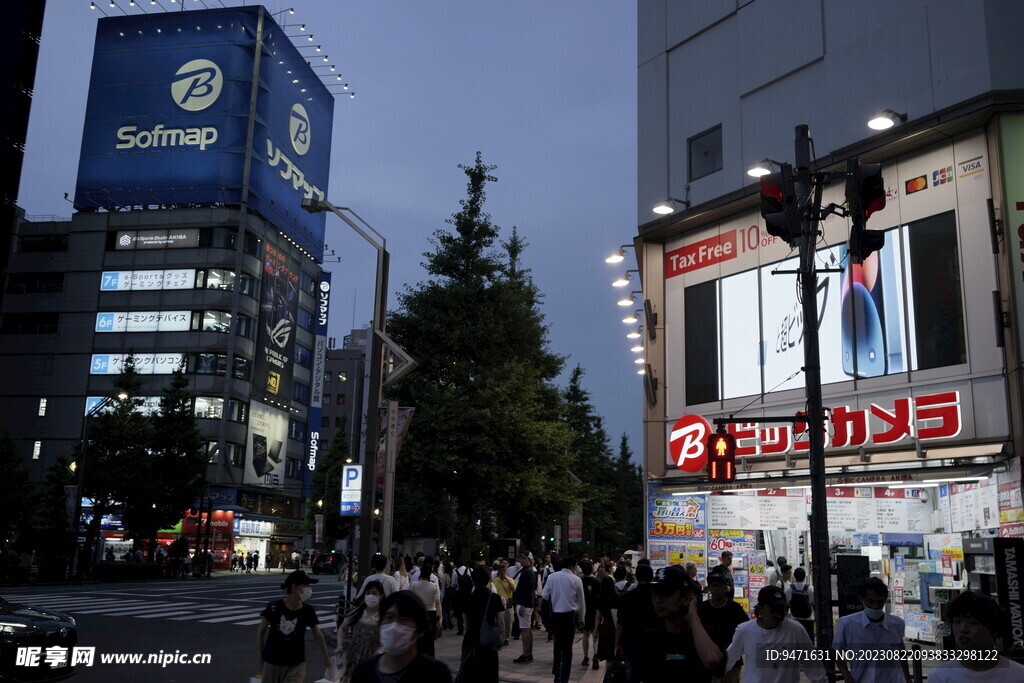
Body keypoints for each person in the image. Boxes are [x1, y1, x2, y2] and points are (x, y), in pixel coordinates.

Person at [631, 565, 722, 680]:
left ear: (686, 599)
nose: (659, 599)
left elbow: (712, 660)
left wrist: (693, 616)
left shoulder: (706, 636)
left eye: (666, 593)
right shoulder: (648, 639)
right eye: (655, 593)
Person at [724, 586, 826, 683]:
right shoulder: (745, 630)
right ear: (760, 609)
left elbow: (812, 663)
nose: (778, 615)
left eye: (781, 610)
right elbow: (729, 659)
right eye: (773, 611)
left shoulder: (795, 629)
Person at [351, 590, 453, 683]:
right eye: (389, 617)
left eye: (404, 619)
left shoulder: (436, 675)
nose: (394, 626)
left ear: (420, 629)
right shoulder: (362, 673)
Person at [927, 590, 1024, 682]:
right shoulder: (939, 677)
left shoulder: (1018, 675)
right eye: (957, 622)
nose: (962, 629)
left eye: (972, 623)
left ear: (993, 631)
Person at [256, 569, 331, 683]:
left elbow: (318, 635)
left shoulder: (307, 610)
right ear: (294, 586)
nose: (308, 589)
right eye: (305, 585)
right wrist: (261, 657)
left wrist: (326, 657)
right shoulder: (274, 607)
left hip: (296, 663)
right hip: (273, 661)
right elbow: (261, 631)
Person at [832, 577, 908, 683]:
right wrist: (847, 677)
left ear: (885, 599)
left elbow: (901, 653)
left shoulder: (897, 624)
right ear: (861, 599)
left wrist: (907, 679)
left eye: (879, 601)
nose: (875, 606)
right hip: (861, 679)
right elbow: (837, 652)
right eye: (870, 601)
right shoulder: (847, 624)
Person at [698, 569, 748, 683]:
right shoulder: (702, 608)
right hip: (708, 659)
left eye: (719, 585)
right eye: (713, 585)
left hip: (732, 660)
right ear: (709, 588)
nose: (715, 588)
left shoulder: (735, 608)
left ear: (725, 588)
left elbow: (745, 629)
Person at [542, 555, 586, 683]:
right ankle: (565, 676)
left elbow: (544, 595)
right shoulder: (576, 580)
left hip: (555, 615)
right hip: (569, 616)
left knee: (557, 644)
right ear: (572, 566)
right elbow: (581, 601)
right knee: (567, 648)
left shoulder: (552, 577)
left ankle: (557, 672)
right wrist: (581, 618)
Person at [457, 566, 504, 683]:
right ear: (489, 579)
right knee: (489, 673)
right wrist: (500, 640)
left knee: (471, 672)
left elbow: (466, 621)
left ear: (473, 580)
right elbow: (501, 621)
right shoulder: (495, 598)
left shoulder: (468, 598)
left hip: (471, 638)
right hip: (488, 639)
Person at [616, 562, 656, 681]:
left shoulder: (628, 597)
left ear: (636, 577)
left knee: (633, 674)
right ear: (651, 577)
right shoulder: (656, 597)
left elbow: (620, 623)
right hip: (653, 642)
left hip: (631, 641)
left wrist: (617, 645)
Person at [337, 580, 384, 682]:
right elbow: (342, 628)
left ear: (381, 596)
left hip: (374, 660)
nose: (371, 596)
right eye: (368, 593)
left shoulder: (385, 617)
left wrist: (382, 650)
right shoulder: (358, 612)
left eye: (374, 593)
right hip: (354, 656)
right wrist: (339, 646)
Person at [411, 558, 442, 657]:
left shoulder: (414, 585)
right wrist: (440, 617)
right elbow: (438, 603)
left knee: (418, 640)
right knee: (430, 640)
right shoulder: (434, 586)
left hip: (417, 613)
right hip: (431, 614)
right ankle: (430, 660)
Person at [512, 552, 537, 664]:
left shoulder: (528, 572)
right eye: (520, 558)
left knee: (525, 630)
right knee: (527, 629)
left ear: (529, 559)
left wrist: (522, 604)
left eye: (523, 558)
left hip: (524, 604)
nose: (521, 560)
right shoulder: (528, 571)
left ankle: (526, 654)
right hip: (527, 604)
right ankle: (528, 653)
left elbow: (527, 590)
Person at [592, 575, 619, 672]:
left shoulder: (599, 598)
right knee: (615, 652)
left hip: (605, 627)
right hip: (617, 626)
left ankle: (609, 673)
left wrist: (595, 630)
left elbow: (598, 617)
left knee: (608, 655)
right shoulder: (617, 597)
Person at [784, 567, 815, 643]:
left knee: (794, 642)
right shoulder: (811, 589)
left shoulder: (788, 589)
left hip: (794, 618)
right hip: (808, 619)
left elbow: (787, 603)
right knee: (809, 642)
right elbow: (813, 603)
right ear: (804, 576)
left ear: (794, 576)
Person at [579, 559, 600, 668]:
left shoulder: (580, 581)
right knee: (595, 634)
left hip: (584, 611)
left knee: (586, 634)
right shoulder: (597, 582)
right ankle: (595, 655)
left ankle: (586, 657)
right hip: (596, 611)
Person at [492, 561, 516, 647]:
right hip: (499, 604)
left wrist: (507, 579)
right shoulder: (495, 581)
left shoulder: (511, 580)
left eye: (504, 571)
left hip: (508, 603)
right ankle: (501, 637)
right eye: (501, 571)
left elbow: (513, 589)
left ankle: (507, 638)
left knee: (508, 621)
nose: (502, 573)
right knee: (500, 622)